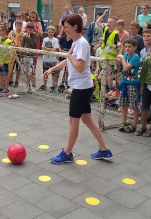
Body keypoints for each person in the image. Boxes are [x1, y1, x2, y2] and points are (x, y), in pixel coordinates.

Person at [44, 14, 113, 164]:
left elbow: (80, 67)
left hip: (81, 88)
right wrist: (52, 69)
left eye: (66, 27)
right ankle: (104, 150)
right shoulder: (76, 43)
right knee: (88, 120)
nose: (64, 30)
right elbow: (68, 62)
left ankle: (67, 154)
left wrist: (68, 55)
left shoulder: (81, 43)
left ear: (75, 27)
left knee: (73, 122)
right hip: (82, 87)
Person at [117, 38, 141, 133]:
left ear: (135, 47)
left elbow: (126, 68)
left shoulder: (135, 57)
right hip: (124, 82)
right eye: (126, 46)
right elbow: (118, 60)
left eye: (130, 47)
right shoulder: (125, 55)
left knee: (134, 105)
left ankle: (134, 124)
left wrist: (122, 58)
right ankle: (123, 121)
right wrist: (120, 53)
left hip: (132, 83)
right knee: (123, 104)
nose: (127, 48)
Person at [96, 9, 120, 89]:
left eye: (110, 22)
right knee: (105, 75)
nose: (108, 23)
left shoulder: (115, 33)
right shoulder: (105, 29)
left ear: (115, 24)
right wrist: (104, 14)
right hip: (104, 56)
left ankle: (109, 89)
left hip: (110, 59)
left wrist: (115, 46)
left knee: (108, 75)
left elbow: (119, 43)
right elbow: (98, 22)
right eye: (108, 22)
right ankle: (106, 89)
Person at [40, 26, 60, 91]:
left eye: (52, 32)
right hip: (45, 58)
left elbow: (55, 49)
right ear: (47, 32)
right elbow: (42, 47)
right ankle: (44, 84)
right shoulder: (45, 39)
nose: (50, 33)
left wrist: (47, 49)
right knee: (45, 72)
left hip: (52, 60)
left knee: (53, 73)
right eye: (49, 32)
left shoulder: (56, 40)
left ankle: (53, 85)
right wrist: (45, 49)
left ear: (54, 32)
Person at [21, 22, 39, 92]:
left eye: (31, 30)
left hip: (31, 56)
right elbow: (22, 46)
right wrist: (21, 56)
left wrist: (29, 38)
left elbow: (34, 45)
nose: (29, 31)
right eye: (28, 29)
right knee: (26, 72)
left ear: (33, 30)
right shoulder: (25, 36)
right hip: (25, 55)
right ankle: (28, 86)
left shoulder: (35, 36)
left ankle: (33, 86)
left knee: (31, 72)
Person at [0, 24, 12, 93]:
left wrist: (3, 61)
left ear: (4, 31)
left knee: (5, 74)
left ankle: (6, 88)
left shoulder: (8, 41)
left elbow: (7, 52)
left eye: (0, 31)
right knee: (0, 74)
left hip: (4, 60)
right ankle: (1, 87)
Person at [8, 20, 25, 88]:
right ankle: (10, 80)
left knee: (18, 68)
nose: (19, 27)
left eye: (20, 26)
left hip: (19, 53)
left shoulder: (23, 34)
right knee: (11, 67)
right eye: (18, 26)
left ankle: (17, 81)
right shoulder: (11, 33)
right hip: (12, 53)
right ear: (15, 26)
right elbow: (8, 40)